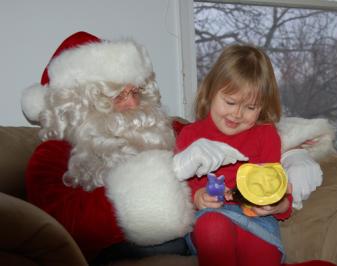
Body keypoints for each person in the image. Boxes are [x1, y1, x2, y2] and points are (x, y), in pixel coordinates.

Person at [21, 31, 247, 264]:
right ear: (82, 104)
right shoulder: (51, 156)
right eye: (119, 96)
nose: (133, 104)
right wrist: (168, 176)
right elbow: (63, 228)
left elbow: (231, 135)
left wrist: (284, 150)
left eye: (135, 91)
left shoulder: (164, 128)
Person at [175, 44, 335, 266]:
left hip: (257, 221)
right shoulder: (191, 135)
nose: (237, 114)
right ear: (210, 91)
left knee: (262, 251)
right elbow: (179, 187)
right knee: (213, 226)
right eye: (230, 102)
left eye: (250, 107)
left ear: (263, 107)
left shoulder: (266, 135)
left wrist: (278, 205)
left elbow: (276, 185)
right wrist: (196, 197)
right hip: (209, 218)